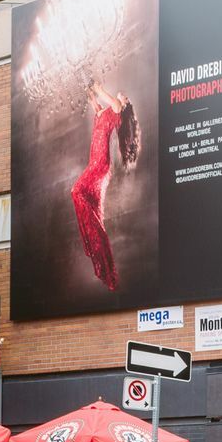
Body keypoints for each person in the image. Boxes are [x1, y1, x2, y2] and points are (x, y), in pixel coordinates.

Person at [72, 80, 139, 291]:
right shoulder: (103, 111)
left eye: (125, 97)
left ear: (124, 104)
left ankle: (98, 241)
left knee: (76, 191)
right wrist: (87, 88)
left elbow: (114, 103)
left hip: (100, 165)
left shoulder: (117, 111)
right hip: (93, 163)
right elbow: (94, 101)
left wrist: (99, 88)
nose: (123, 94)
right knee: (84, 200)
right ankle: (98, 246)